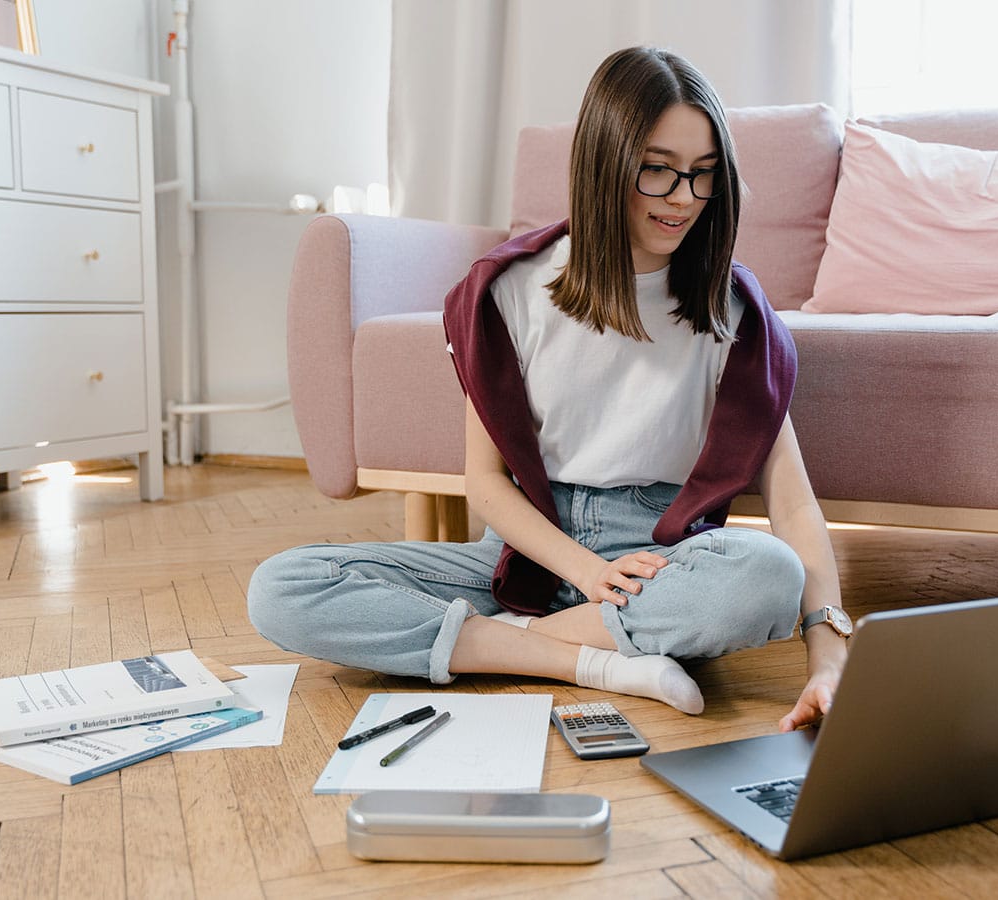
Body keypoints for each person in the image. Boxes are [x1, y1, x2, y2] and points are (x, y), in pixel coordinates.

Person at [248, 46, 846, 731]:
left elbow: (793, 508)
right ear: (605, 163)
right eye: (657, 171)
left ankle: (505, 644)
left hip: (659, 563)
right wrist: (586, 574)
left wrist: (828, 657)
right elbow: (486, 482)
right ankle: (592, 657)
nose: (684, 198)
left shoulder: (731, 311)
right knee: (283, 587)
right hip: (527, 555)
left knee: (766, 572)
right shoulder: (506, 291)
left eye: (703, 175)